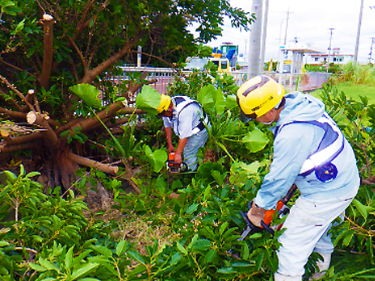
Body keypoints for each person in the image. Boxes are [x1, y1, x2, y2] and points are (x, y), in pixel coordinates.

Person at [236, 75, 360, 281]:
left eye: (254, 116)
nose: (255, 121)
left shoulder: (292, 133)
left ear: (267, 111)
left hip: (328, 193)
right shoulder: (300, 104)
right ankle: (319, 273)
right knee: (320, 230)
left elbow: (278, 178)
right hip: (345, 179)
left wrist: (258, 211)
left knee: (289, 245)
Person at [156, 94, 210, 171]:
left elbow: (184, 136)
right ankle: (186, 167)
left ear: (169, 108)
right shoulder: (165, 109)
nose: (163, 116)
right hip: (188, 129)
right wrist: (170, 144)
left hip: (199, 129)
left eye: (163, 114)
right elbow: (167, 125)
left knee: (189, 152)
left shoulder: (184, 111)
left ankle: (190, 173)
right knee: (182, 149)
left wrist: (178, 154)